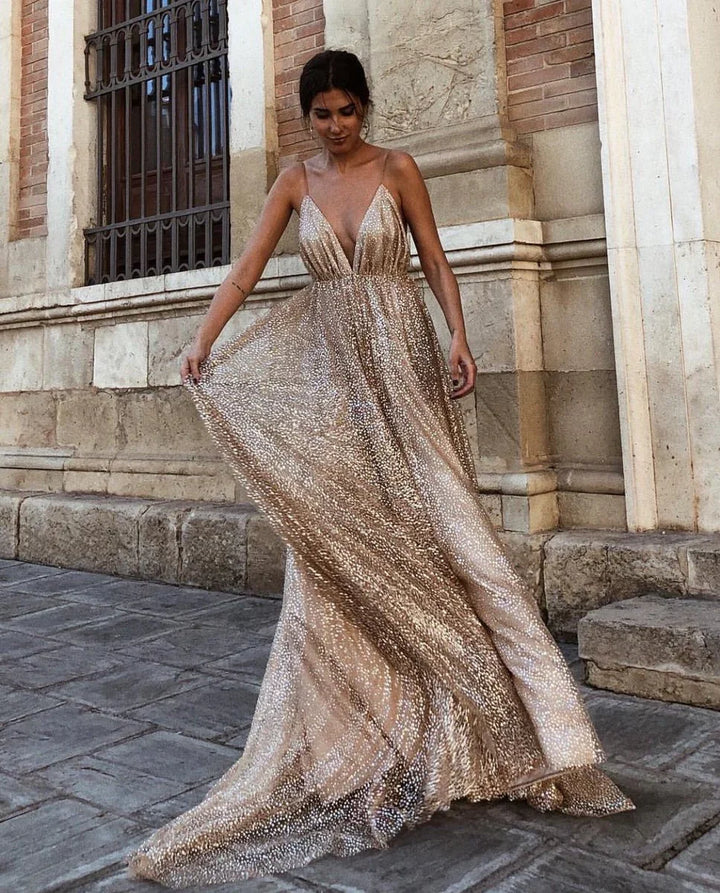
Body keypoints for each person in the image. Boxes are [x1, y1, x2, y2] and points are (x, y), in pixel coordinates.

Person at [125, 49, 634, 888]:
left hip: (406, 369)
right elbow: (249, 266)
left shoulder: (399, 167)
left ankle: (536, 730)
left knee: (450, 533)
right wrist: (204, 339)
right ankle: (358, 742)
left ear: (366, 108)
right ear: (307, 117)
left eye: (347, 111)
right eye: (322, 114)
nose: (336, 126)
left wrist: (461, 334)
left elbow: (433, 258)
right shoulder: (295, 180)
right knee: (337, 547)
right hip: (337, 382)